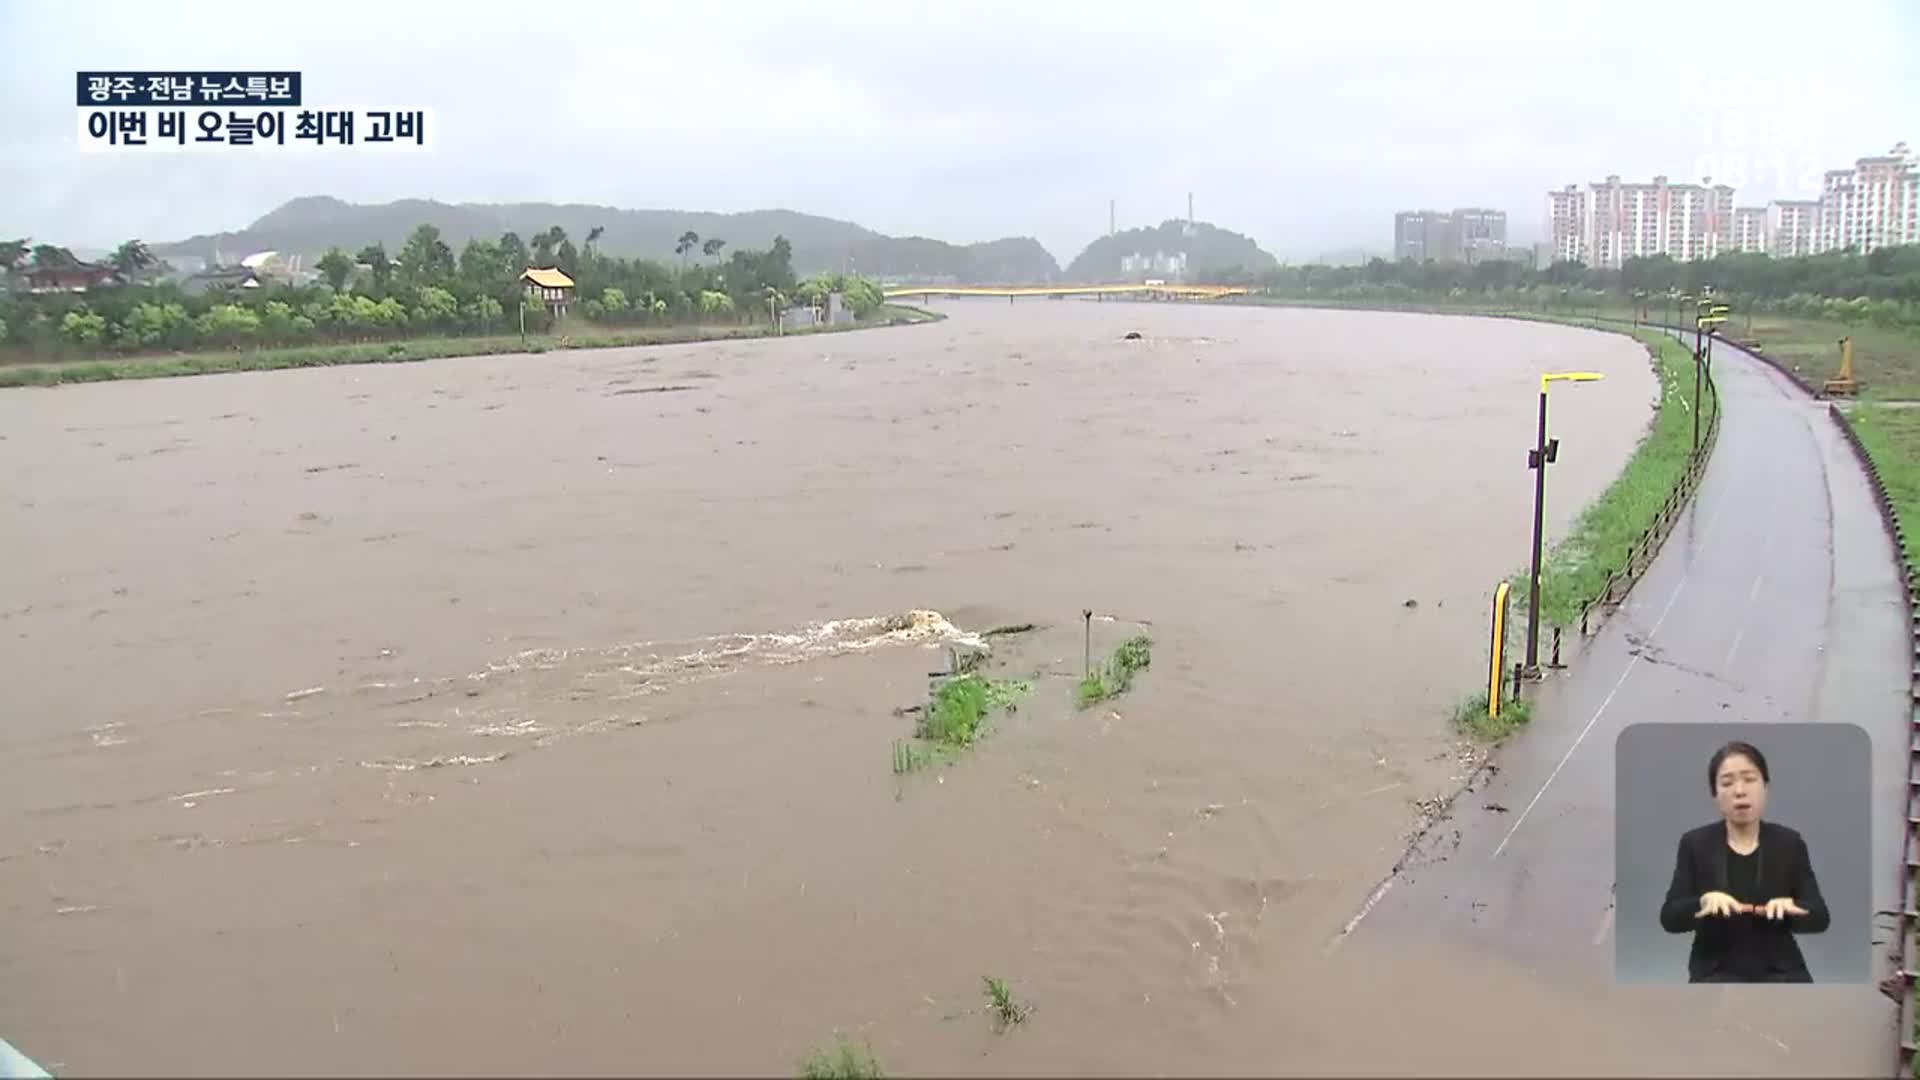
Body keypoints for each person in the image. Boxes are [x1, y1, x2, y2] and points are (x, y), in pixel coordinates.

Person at [1659, 740, 1830, 982]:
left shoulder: (1789, 842)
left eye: (1749, 779)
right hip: (1716, 970)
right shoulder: (1695, 843)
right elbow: (1670, 917)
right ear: (1715, 795)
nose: (1739, 791)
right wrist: (1703, 901)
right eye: (1727, 783)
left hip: (1781, 970)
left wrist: (1792, 909)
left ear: (1765, 787)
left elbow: (1820, 917)